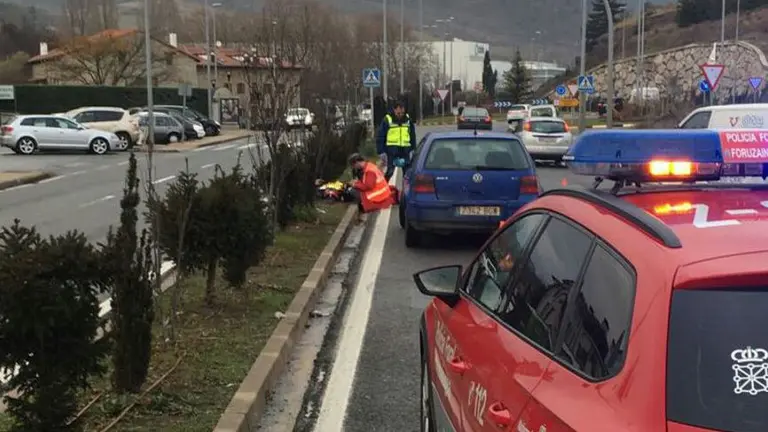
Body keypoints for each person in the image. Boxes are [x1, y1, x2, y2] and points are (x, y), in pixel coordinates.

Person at [347, 153, 397, 217]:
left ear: (357, 163)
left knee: (353, 192)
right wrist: (357, 183)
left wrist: (354, 185)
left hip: (378, 195)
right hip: (381, 191)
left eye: (353, 165)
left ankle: (362, 206)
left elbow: (368, 186)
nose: (354, 168)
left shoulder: (369, 171)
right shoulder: (369, 166)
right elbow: (366, 182)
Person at [376, 101, 416, 181]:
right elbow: (380, 136)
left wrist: (413, 149)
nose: (400, 115)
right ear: (394, 110)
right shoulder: (387, 119)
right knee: (389, 172)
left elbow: (412, 135)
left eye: (402, 113)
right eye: (398, 113)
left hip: (405, 151)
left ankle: (406, 191)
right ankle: (384, 189)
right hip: (391, 151)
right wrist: (381, 152)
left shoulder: (408, 119)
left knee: (407, 175)